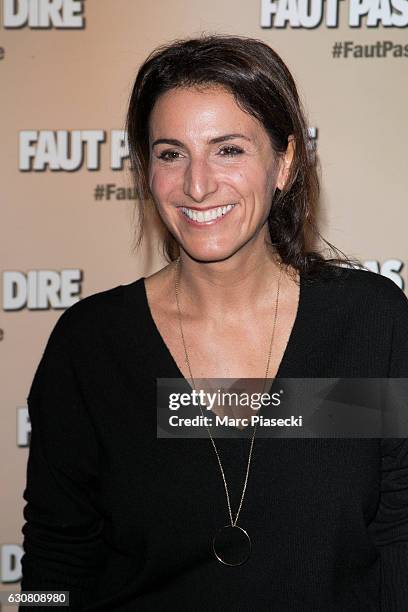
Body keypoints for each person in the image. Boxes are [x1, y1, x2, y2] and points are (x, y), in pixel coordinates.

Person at [20, 34, 408, 611]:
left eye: (228, 150)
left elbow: (398, 535)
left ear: (285, 161)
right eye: (171, 153)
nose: (196, 185)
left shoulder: (368, 323)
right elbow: (55, 561)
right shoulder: (91, 346)